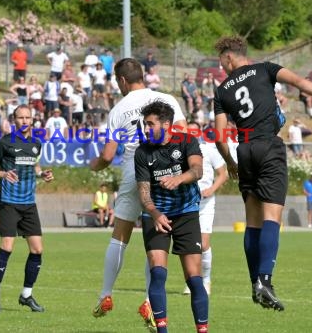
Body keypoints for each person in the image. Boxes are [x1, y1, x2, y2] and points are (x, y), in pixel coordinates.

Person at [213, 36, 312, 311]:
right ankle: (266, 282)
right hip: (269, 146)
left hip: (245, 149)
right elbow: (298, 82)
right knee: (272, 217)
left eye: (220, 61)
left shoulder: (222, 90)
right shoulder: (264, 69)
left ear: (229, 57)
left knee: (252, 221)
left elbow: (220, 137)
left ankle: (253, 283)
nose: (221, 66)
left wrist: (230, 161)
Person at [89, 58, 186, 331]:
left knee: (120, 235)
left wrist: (94, 165)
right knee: (155, 238)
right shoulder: (166, 98)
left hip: (134, 167)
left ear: (121, 80)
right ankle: (148, 301)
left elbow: (108, 156)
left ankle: (106, 294)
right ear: (142, 76)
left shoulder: (119, 108)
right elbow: (183, 132)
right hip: (165, 168)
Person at [134, 100, 206, 333]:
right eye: (145, 124)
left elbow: (197, 170)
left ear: (166, 124)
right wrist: (154, 213)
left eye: (150, 124)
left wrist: (178, 179)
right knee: (157, 272)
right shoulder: (142, 152)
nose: (146, 129)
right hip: (156, 214)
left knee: (194, 279)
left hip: (186, 212)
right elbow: (143, 191)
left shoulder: (187, 141)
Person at [0, 104, 55, 314]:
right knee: (7, 247)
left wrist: (43, 175)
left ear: (32, 120)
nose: (24, 121)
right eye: (20, 118)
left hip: (28, 203)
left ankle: (26, 295)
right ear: (14, 120)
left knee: (37, 250)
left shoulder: (36, 143)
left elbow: (35, 166)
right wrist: (4, 175)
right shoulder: (5, 142)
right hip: (8, 202)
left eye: (28, 118)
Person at [183, 121, 228, 296]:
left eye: (195, 131)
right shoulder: (180, 152)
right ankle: (192, 282)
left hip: (206, 203)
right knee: (188, 246)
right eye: (189, 132)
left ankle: (206, 280)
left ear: (200, 133)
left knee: (203, 244)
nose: (192, 134)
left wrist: (211, 189)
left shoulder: (209, 150)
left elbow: (223, 174)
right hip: (187, 203)